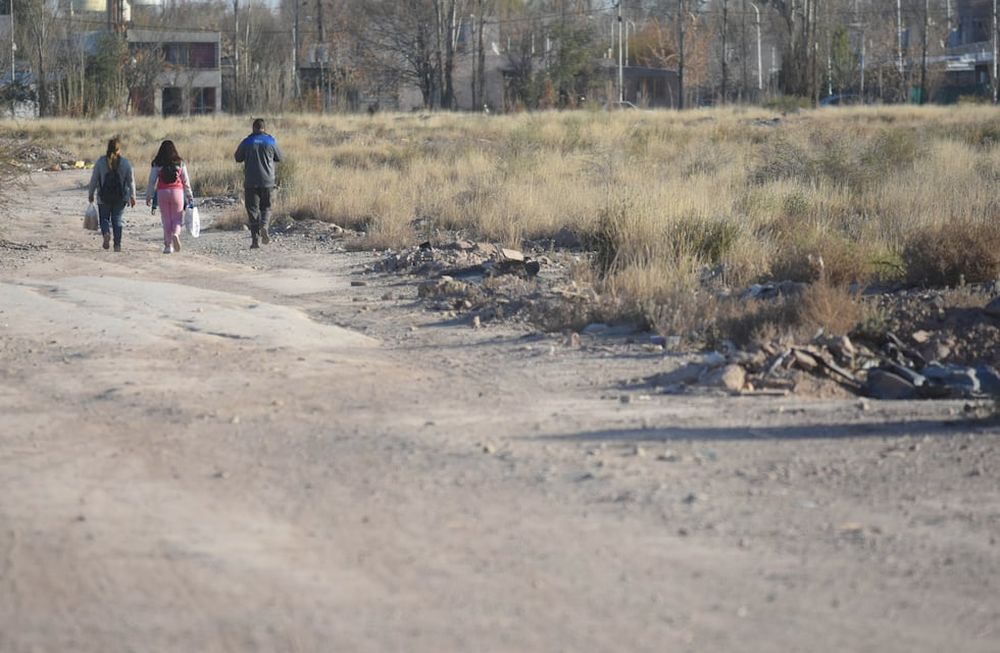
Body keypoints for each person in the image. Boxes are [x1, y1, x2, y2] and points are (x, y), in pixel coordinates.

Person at [234, 118, 283, 249]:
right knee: (266, 207)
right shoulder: (270, 141)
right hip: (267, 181)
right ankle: (264, 226)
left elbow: (237, 158)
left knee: (252, 210)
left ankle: (255, 241)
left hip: (251, 182)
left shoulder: (247, 141)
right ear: (264, 128)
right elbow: (279, 157)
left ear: (253, 128)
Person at [87, 137, 137, 252]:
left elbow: (94, 179)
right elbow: (131, 181)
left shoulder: (100, 162)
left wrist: (91, 193)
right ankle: (117, 245)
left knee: (104, 218)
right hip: (121, 197)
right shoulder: (125, 163)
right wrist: (133, 196)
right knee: (117, 219)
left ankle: (106, 233)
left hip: (103, 196)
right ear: (119, 149)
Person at [146, 140, 194, 254]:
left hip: (162, 192)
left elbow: (152, 181)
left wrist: (149, 195)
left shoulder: (157, 163)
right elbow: (185, 181)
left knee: (166, 219)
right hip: (177, 192)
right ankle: (176, 234)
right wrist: (189, 195)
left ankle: (168, 246)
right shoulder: (180, 162)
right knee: (177, 218)